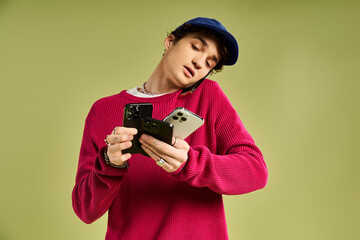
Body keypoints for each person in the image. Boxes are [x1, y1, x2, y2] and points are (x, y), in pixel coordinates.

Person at [72, 17, 268, 240]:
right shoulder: (103, 110)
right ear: (170, 41)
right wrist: (109, 163)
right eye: (196, 47)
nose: (198, 62)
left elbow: (256, 171)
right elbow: (84, 210)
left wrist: (190, 163)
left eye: (209, 63)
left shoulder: (208, 96)